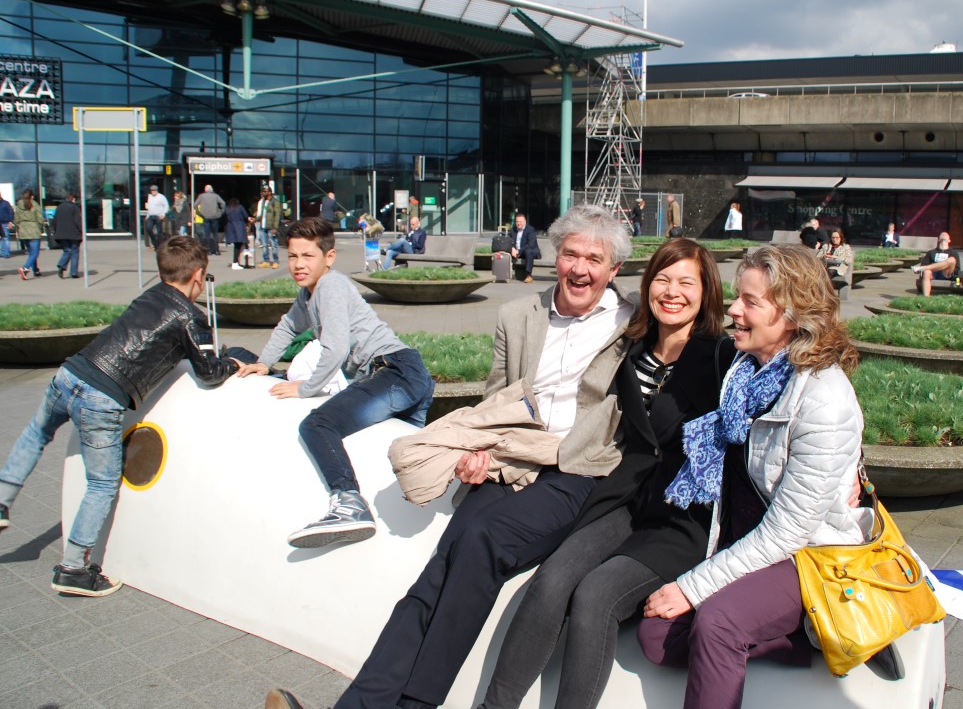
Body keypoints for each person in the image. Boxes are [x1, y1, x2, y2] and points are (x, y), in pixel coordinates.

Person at [265, 204, 634, 709]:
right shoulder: (517, 315)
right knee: (439, 568)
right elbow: (494, 399)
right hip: (507, 456)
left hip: (572, 470)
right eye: (571, 254)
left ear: (614, 270)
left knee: (483, 539)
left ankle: (413, 704)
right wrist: (475, 451)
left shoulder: (631, 324)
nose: (580, 269)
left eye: (595, 259)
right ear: (556, 255)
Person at [477, 239, 733, 709]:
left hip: (681, 518)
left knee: (595, 596)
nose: (672, 292)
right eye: (662, 279)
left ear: (707, 291)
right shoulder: (630, 347)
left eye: (686, 283)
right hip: (623, 499)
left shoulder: (722, 357)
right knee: (551, 580)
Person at [638, 244, 870, 709]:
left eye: (750, 301)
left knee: (717, 623)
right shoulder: (743, 372)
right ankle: (812, 638)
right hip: (744, 538)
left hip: (807, 555)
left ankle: (818, 626)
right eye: (737, 297)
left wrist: (693, 586)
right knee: (656, 635)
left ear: (794, 315)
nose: (733, 310)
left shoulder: (824, 399)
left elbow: (788, 532)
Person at [0, 236, 239, 596]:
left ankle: (2, 502)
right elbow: (208, 372)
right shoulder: (191, 316)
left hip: (70, 374)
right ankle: (73, 568)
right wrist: (232, 363)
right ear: (198, 274)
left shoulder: (149, 295)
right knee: (102, 484)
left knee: (36, 434)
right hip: (102, 397)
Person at [237, 217, 435, 549]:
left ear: (329, 257)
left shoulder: (329, 286)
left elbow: (336, 348)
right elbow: (288, 326)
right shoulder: (308, 295)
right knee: (399, 455)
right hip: (409, 374)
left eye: (307, 256)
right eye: (292, 256)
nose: (298, 264)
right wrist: (263, 362)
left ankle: (348, 503)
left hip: (394, 372)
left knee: (318, 424)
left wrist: (306, 388)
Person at [911, 231, 960, 296]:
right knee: (926, 272)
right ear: (938, 240)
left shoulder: (953, 253)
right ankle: (926, 298)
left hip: (946, 273)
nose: (944, 234)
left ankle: (923, 268)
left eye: (946, 235)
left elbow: (957, 269)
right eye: (942, 235)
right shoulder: (931, 252)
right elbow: (924, 264)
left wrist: (945, 267)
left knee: (952, 259)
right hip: (933, 273)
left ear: (949, 240)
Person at [52, 193, 83, 279]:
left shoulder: (59, 207)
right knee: (75, 251)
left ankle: (62, 265)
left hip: (61, 233)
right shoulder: (75, 208)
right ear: (73, 199)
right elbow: (78, 221)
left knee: (67, 250)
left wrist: (56, 231)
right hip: (74, 234)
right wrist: (81, 230)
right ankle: (73, 272)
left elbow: (54, 221)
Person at [15, 189, 45, 279]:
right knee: (35, 253)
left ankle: (36, 270)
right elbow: (40, 219)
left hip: (23, 231)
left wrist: (19, 228)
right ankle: (25, 268)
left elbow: (16, 220)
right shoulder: (34, 204)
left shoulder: (19, 205)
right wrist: (41, 229)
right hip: (34, 230)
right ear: (31, 196)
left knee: (31, 253)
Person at [255, 187, 284, 268]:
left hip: (271, 226)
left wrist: (275, 227)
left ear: (270, 192)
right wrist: (255, 219)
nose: (263, 193)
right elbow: (262, 214)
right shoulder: (263, 202)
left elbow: (277, 215)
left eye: (265, 191)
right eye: (262, 191)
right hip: (263, 226)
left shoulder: (275, 202)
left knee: (274, 244)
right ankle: (266, 260)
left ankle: (276, 261)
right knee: (265, 245)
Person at [509, 211, 542, 282]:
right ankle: (503, 275)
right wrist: (512, 249)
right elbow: (509, 241)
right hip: (517, 252)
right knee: (503, 251)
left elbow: (531, 245)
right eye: (517, 222)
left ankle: (528, 275)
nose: (518, 223)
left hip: (531, 251)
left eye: (520, 222)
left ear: (525, 222)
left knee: (528, 251)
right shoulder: (513, 230)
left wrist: (519, 251)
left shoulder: (530, 230)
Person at [194, 184, 225, 256]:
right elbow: (223, 203)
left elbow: (195, 205)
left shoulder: (201, 196)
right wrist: (221, 212)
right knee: (215, 234)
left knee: (207, 234)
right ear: (212, 189)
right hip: (214, 216)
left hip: (205, 216)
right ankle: (216, 250)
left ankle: (209, 250)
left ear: (205, 190)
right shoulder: (216, 196)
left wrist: (199, 213)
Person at [224, 197, 249, 270]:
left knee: (236, 246)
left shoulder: (227, 208)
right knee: (239, 245)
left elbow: (225, 217)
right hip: (239, 227)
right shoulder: (240, 207)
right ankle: (236, 262)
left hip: (231, 227)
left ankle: (236, 262)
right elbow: (245, 216)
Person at [145, 184, 168, 249]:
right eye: (152, 191)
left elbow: (166, 206)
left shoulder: (161, 197)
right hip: (151, 216)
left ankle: (159, 244)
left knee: (159, 231)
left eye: (154, 190)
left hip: (158, 216)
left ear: (157, 191)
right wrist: (147, 215)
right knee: (149, 228)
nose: (153, 192)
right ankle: (154, 241)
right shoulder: (150, 197)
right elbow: (149, 207)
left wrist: (163, 214)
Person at [0, 191, 14, 259]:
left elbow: (11, 212)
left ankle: (6, 253)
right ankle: (2, 253)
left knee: (5, 238)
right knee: (2, 239)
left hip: (4, 223)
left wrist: (10, 222)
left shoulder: (5, 203)